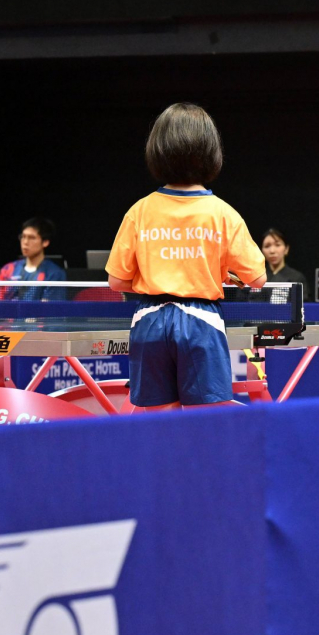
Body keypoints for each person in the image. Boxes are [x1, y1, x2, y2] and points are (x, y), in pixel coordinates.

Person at [106, 103, 267, 409]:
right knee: (204, 421)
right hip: (201, 322)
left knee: (158, 421)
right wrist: (217, 274)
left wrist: (154, 279)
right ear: (211, 153)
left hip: (149, 320)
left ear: (157, 151)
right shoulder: (223, 213)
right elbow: (257, 279)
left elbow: (116, 282)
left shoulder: (139, 211)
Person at [0, 217, 67, 301]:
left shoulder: (54, 274)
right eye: (23, 237)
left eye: (32, 238)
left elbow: (50, 307)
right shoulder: (7, 269)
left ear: (45, 242)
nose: (25, 242)